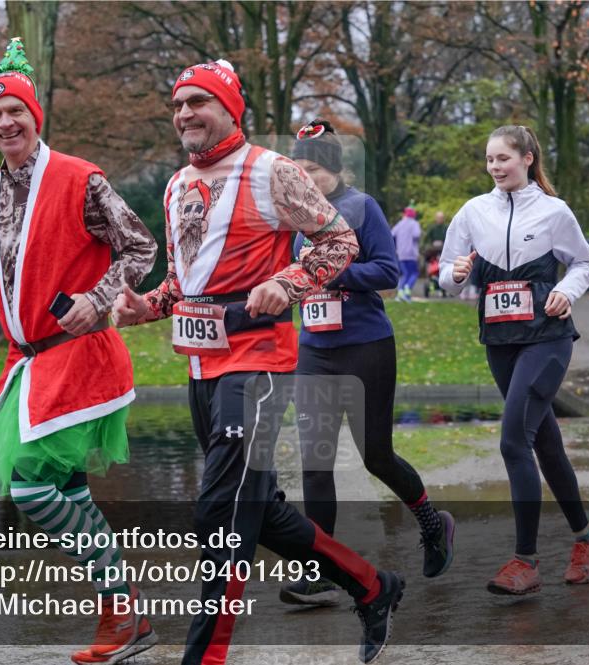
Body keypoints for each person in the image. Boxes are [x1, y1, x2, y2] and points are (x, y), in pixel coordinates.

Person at [111, 60, 403, 665]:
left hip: (259, 368)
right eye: (178, 104)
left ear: (230, 109)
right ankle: (374, 588)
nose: (185, 113)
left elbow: (339, 241)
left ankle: (205, 658)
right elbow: (186, 281)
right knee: (260, 513)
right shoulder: (175, 185)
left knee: (219, 514)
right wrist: (148, 304)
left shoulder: (272, 171)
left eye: (199, 101)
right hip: (201, 368)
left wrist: (291, 283)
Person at [0, 39, 158, 664]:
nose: (5, 124)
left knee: (30, 490)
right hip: (28, 362)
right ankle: (125, 613)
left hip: (80, 355)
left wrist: (99, 298)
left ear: (34, 116)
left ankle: (123, 605)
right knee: (67, 492)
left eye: (15, 112)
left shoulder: (81, 178)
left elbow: (139, 248)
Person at [278, 119, 454, 607]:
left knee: (375, 455)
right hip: (314, 347)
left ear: (334, 170)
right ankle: (319, 571)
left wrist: (330, 270)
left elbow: (387, 273)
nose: (305, 178)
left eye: (312, 168)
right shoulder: (296, 217)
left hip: (365, 346)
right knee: (315, 461)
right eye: (299, 169)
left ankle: (433, 522)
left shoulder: (361, 207)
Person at [438, 125, 589, 595]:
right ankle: (586, 538)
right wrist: (454, 273)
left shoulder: (554, 211)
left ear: (527, 158)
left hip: (547, 339)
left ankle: (525, 560)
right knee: (545, 442)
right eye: (489, 160)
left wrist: (564, 292)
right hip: (501, 342)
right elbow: (447, 280)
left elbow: (585, 263)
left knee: (514, 440)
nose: (495, 167)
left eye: (503, 159)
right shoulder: (473, 212)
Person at [392, 205, 421, 302]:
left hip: (400, 253)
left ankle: (400, 293)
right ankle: (407, 289)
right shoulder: (414, 223)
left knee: (405, 274)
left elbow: (392, 234)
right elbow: (416, 235)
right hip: (411, 253)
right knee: (414, 273)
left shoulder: (400, 224)